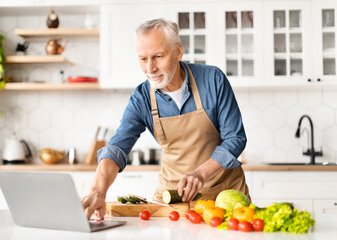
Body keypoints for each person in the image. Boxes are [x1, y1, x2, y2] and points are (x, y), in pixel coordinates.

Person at [81, 18, 249, 220]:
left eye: (158, 56)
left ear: (178, 51)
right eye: (143, 59)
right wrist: (98, 190)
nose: (149, 68)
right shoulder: (142, 98)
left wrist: (200, 174)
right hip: (171, 203)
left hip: (222, 198)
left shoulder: (213, 80)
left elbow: (235, 139)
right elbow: (117, 148)